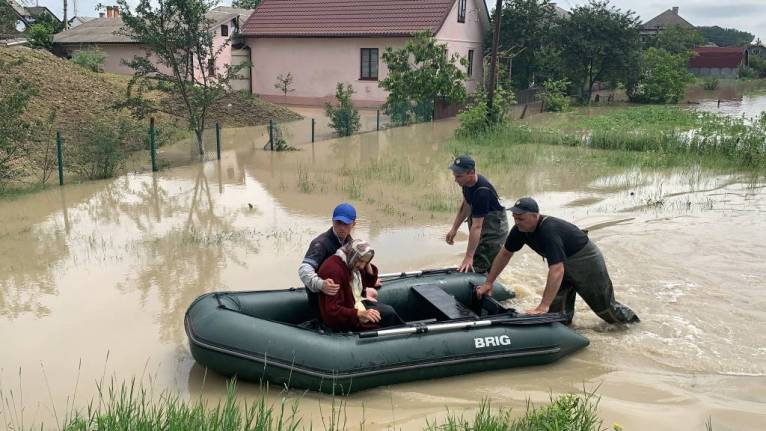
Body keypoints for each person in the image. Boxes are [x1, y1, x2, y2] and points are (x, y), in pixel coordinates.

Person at [476, 197, 639, 325]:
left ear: (535, 216)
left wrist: (542, 305)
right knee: (557, 312)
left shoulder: (549, 231)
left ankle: (634, 325)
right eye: (515, 218)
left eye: (521, 218)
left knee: (605, 310)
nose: (517, 222)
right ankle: (565, 330)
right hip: (562, 264)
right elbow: (505, 254)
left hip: (586, 262)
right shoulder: (519, 230)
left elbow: (557, 270)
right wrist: (489, 282)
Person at [317, 239, 403, 331]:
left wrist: (367, 261)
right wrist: (360, 314)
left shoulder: (352, 262)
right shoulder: (334, 271)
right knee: (388, 315)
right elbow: (332, 311)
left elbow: (369, 283)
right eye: (361, 261)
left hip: (355, 302)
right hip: (345, 318)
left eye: (365, 262)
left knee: (389, 311)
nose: (362, 266)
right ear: (353, 255)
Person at [445, 155, 509, 273]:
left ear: (471, 173)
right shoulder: (467, 184)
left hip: (494, 230)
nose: (456, 180)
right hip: (482, 224)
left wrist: (469, 257)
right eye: (455, 176)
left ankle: (485, 283)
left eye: (459, 176)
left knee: (478, 265)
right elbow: (466, 206)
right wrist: (454, 229)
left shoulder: (482, 192)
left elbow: (477, 226)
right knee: (477, 258)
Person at [298, 203, 364, 312]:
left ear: (354, 224)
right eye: (338, 223)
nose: (342, 228)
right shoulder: (320, 244)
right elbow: (303, 270)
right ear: (333, 221)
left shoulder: (349, 241)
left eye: (346, 224)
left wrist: (364, 285)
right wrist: (321, 284)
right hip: (323, 301)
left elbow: (352, 268)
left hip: (341, 299)